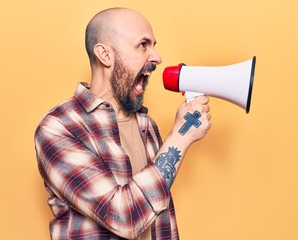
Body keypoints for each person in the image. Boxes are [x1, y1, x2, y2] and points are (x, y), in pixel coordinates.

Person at [34, 7, 211, 240]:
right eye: (143, 45)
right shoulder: (60, 127)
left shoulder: (146, 125)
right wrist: (182, 136)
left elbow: (158, 216)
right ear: (105, 55)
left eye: (154, 45)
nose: (157, 57)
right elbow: (124, 216)